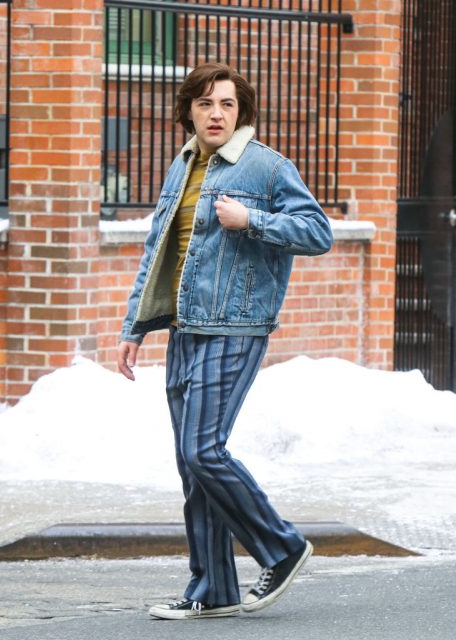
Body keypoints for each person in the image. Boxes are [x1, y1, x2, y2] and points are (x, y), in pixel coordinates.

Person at [118, 62, 333, 620]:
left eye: (227, 104)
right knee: (192, 466)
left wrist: (252, 219)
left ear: (242, 112)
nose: (216, 114)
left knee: (203, 450)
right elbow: (158, 248)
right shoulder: (182, 164)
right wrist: (134, 327)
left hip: (235, 326)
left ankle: (282, 548)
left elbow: (318, 232)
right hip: (184, 327)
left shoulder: (266, 167)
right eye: (206, 103)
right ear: (189, 110)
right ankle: (213, 588)